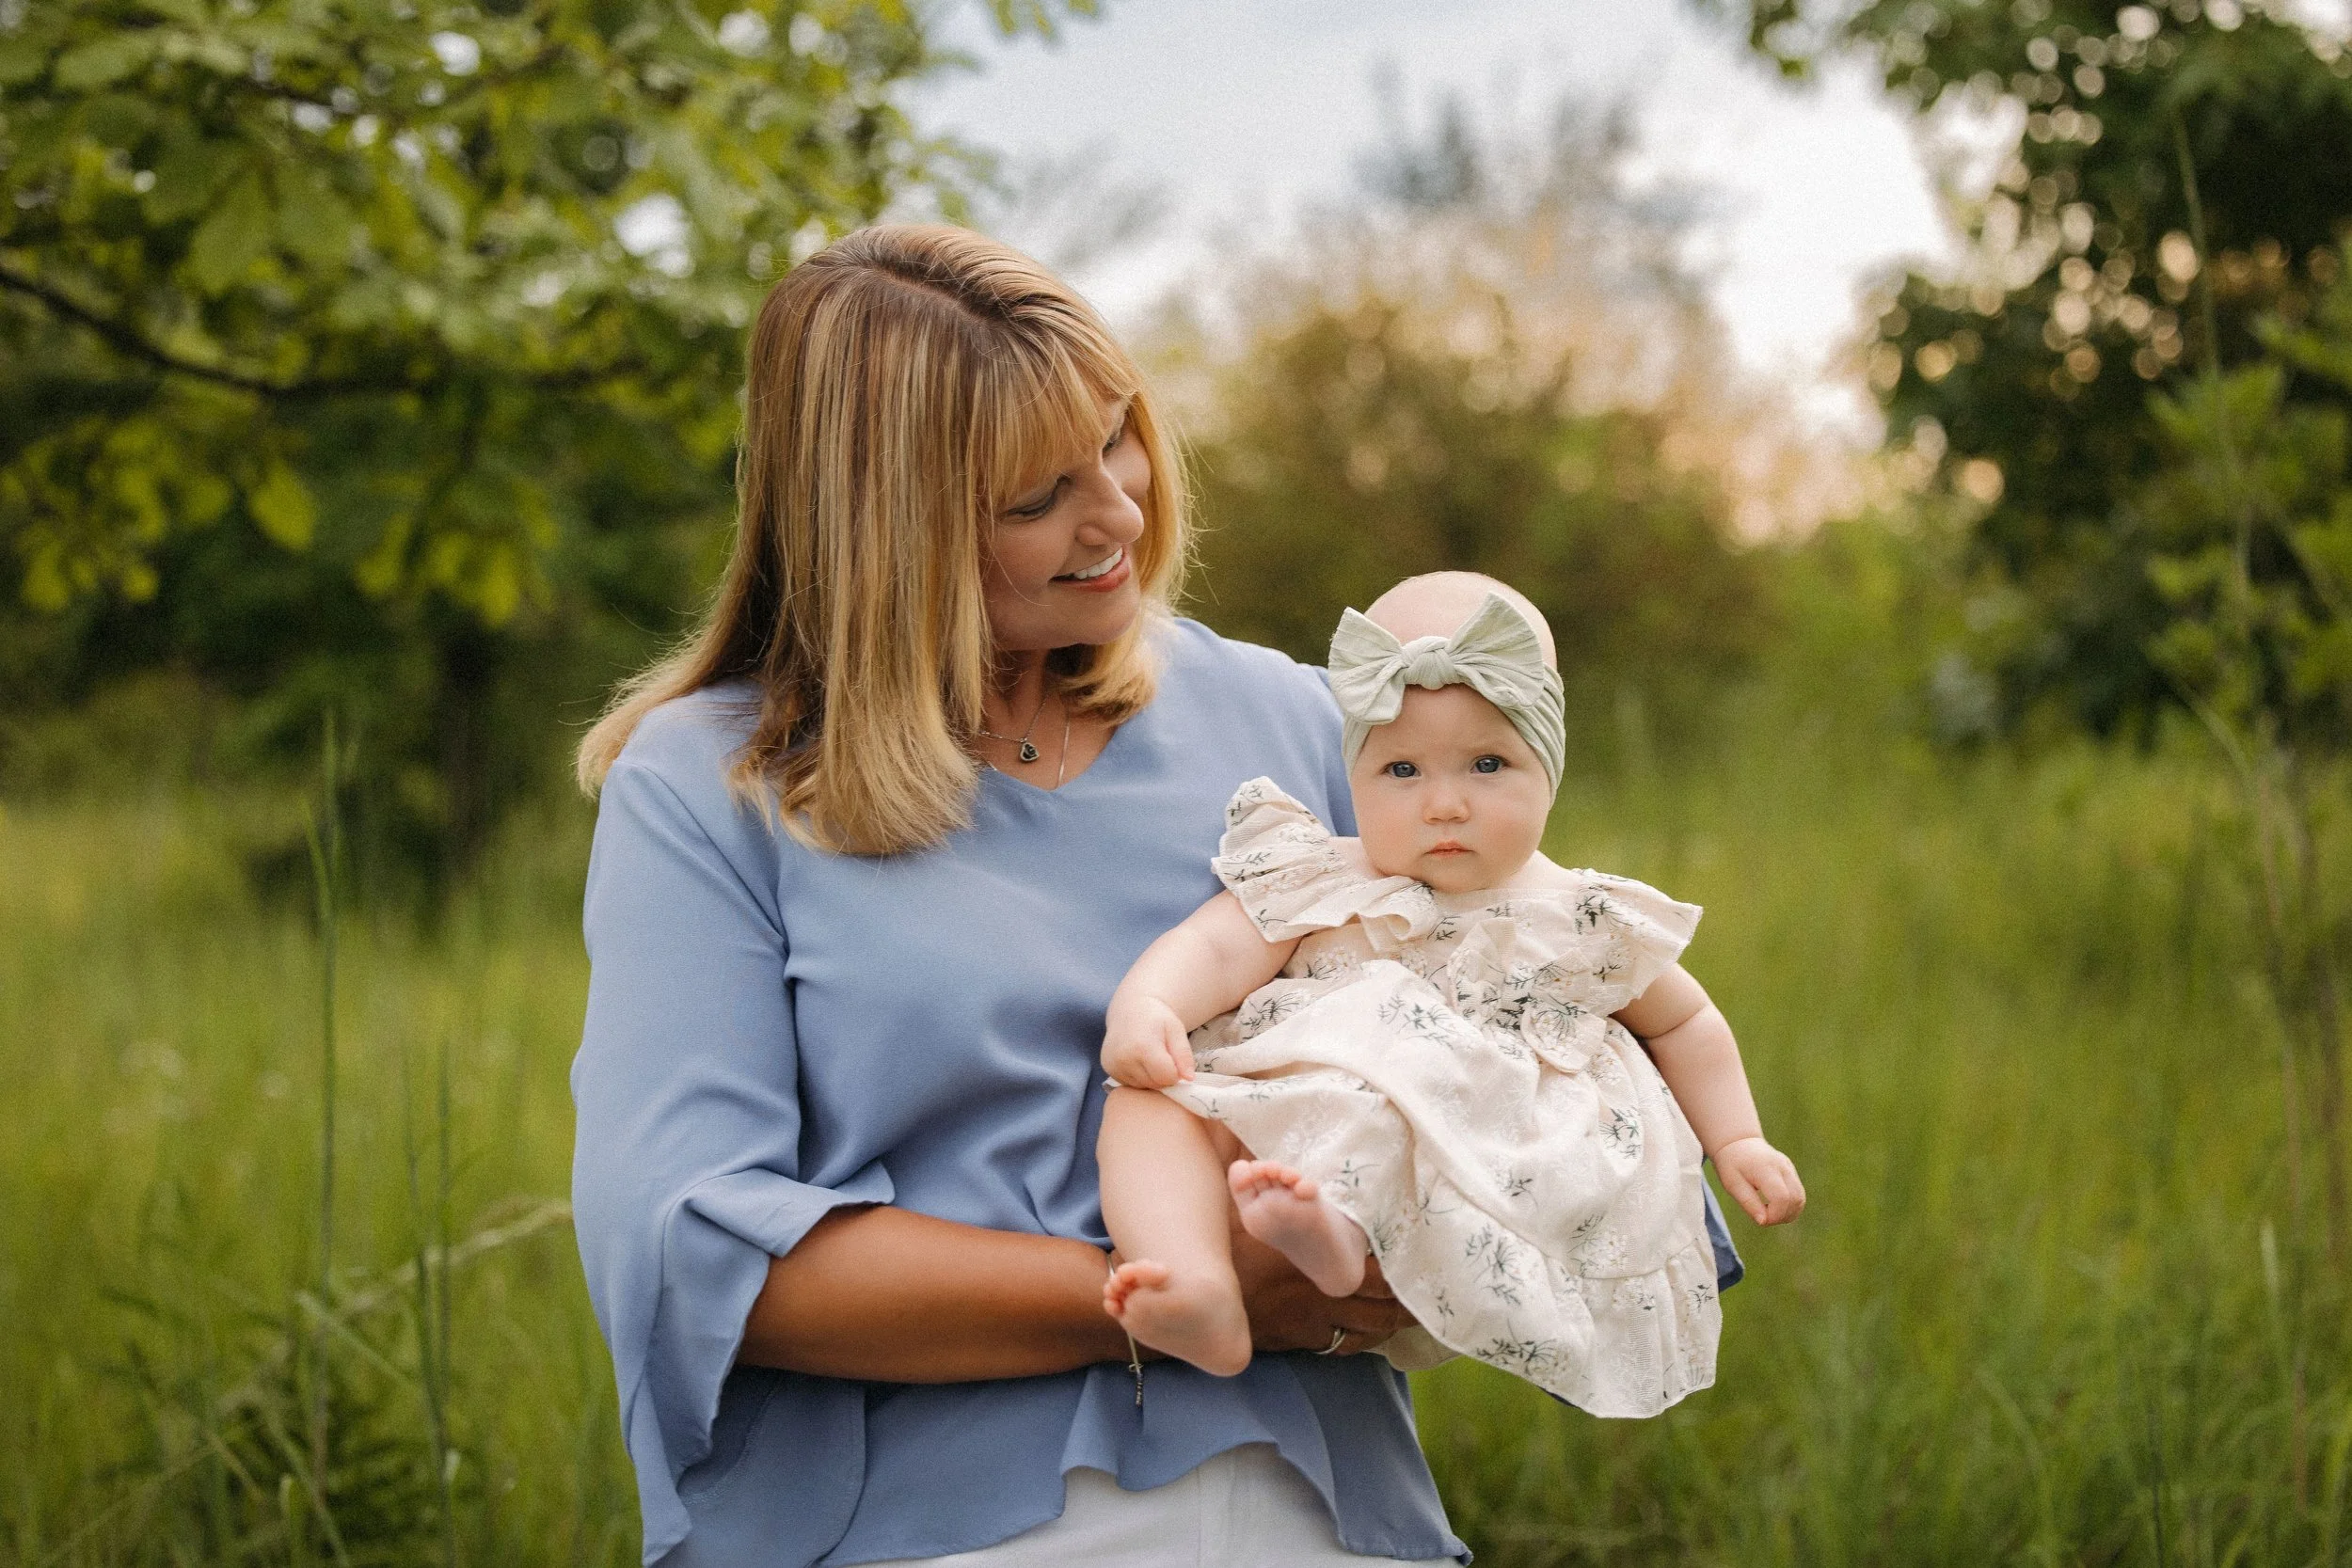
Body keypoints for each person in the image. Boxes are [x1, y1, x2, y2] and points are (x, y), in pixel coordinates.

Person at [570, 225, 1472, 1568]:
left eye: (1119, 436)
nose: (1116, 510)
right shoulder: (711, 788)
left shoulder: (1286, 714)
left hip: (1326, 1505)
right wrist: (1184, 1290)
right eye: (1036, 493)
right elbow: (703, 1250)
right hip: (930, 1523)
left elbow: (1528, 1026)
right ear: (889, 526)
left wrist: (1417, 1251)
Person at [1096, 573, 1804, 1417]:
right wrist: (1146, 1008)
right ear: (1353, 772)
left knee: (1387, 1100)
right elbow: (1212, 945)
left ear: (1550, 768)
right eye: (1401, 768)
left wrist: (1738, 1139)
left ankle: (1338, 1239)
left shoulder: (1576, 914)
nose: (1444, 803)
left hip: (1461, 1144)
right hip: (1287, 1104)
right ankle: (1196, 1283)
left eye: (1487, 764)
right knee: (1147, 1101)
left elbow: (1685, 1018)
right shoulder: (1321, 873)